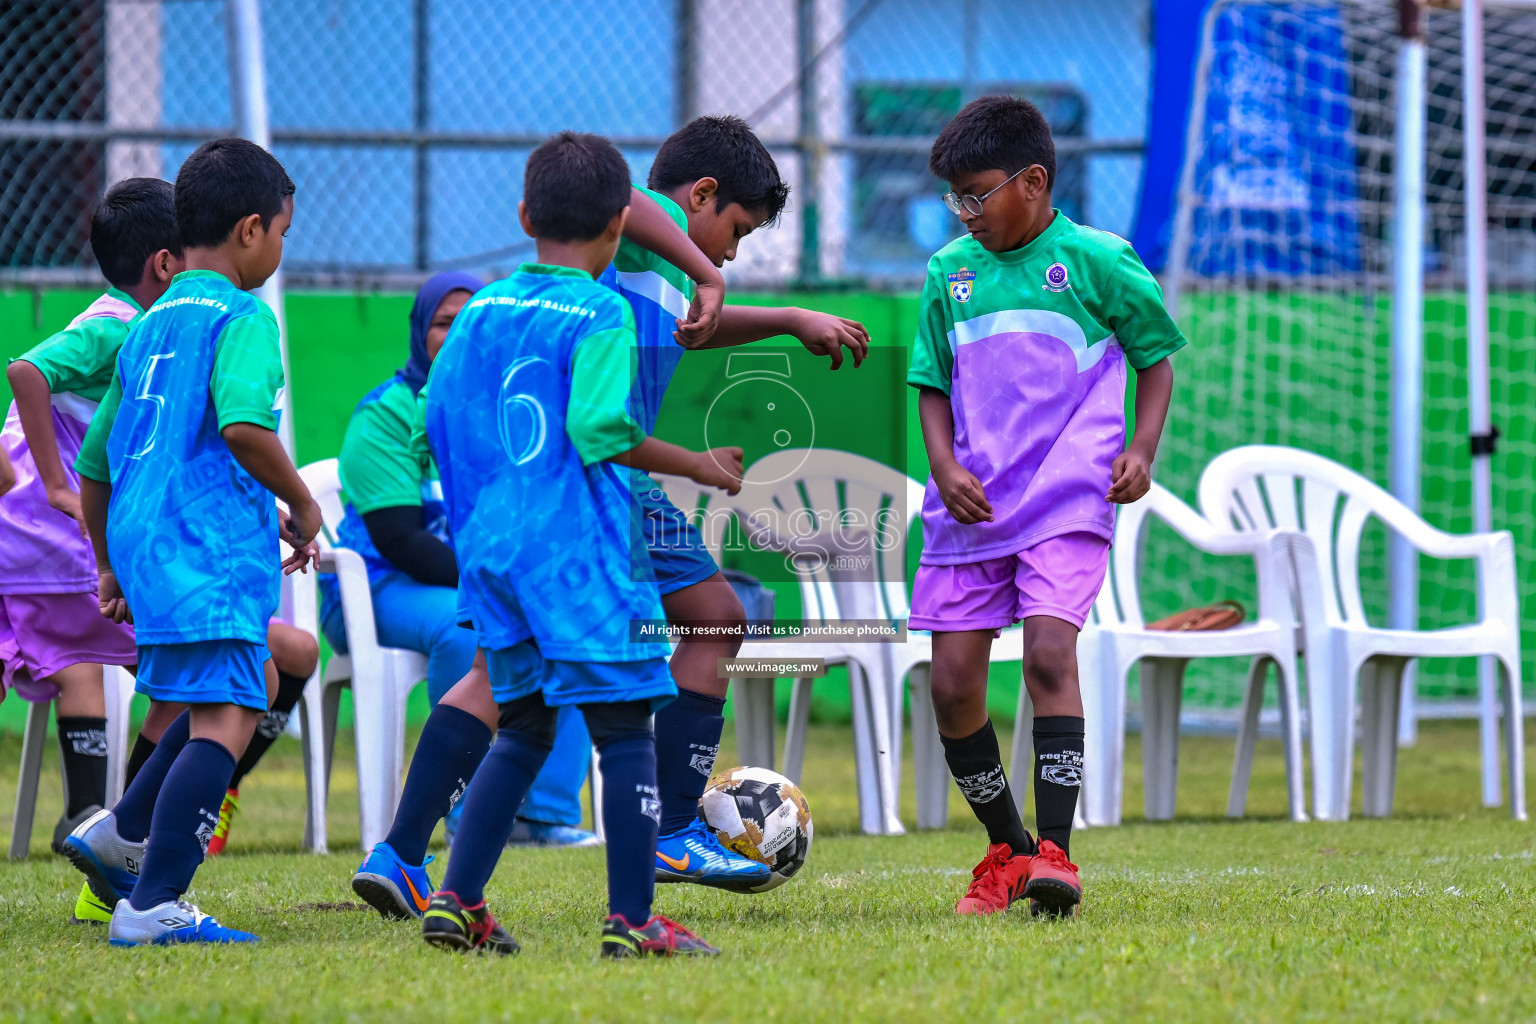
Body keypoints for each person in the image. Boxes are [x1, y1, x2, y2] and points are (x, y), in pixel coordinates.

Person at [349, 191, 730, 918]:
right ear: (619, 226)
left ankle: (447, 891)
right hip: (575, 551)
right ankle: (636, 920)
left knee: (520, 717)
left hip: (493, 543)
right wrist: (696, 464)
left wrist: (477, 517)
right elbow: (599, 430)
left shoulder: (481, 311)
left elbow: (437, 422)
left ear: (524, 216)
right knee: (622, 721)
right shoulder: (602, 312)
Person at [908, 96, 1184, 918]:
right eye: (954, 198)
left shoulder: (1099, 260)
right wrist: (944, 463)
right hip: (973, 506)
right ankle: (1007, 850)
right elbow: (929, 380)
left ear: (1033, 180)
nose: (965, 212)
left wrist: (1142, 448)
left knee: (1047, 660)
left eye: (977, 193)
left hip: (1067, 497)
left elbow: (1157, 357)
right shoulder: (947, 271)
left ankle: (1057, 854)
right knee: (953, 683)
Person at [61, 137, 321, 946]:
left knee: (204, 697)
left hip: (147, 541)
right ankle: (154, 903)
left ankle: (116, 834)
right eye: (282, 232)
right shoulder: (243, 316)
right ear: (250, 230)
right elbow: (244, 426)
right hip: (206, 549)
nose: (281, 249)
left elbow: (98, 460)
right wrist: (302, 500)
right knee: (232, 711)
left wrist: (108, 560)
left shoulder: (147, 324)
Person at [1, 179, 177, 854]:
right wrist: (55, 484)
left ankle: (88, 817)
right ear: (165, 264)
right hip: (42, 529)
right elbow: (25, 372)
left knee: (80, 661)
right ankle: (128, 821)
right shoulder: (115, 329)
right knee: (171, 658)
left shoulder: (124, 323)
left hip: (28, 540)